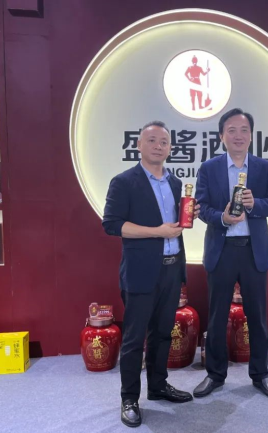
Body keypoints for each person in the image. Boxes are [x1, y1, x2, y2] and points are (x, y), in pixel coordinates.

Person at [102, 120, 200, 428]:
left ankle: (158, 386)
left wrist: (188, 217)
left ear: (170, 148)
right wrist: (157, 231)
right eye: (152, 140)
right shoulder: (124, 182)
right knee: (134, 339)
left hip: (171, 268)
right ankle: (129, 398)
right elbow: (112, 224)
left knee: (162, 333)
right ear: (139, 145)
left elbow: (175, 226)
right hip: (141, 271)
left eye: (164, 142)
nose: (159, 146)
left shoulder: (175, 183)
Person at [193, 108, 268, 399]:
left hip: (253, 251)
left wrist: (255, 204)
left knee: (257, 317)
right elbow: (201, 208)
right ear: (222, 136)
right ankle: (215, 375)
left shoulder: (264, 167)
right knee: (217, 317)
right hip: (221, 251)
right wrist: (222, 217)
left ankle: (260, 374)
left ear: (251, 136)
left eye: (244, 130)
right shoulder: (209, 168)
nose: (238, 136)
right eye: (231, 130)